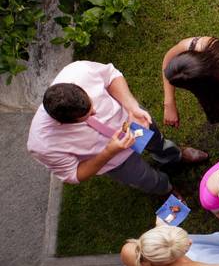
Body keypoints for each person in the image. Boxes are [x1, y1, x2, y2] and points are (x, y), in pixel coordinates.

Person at [27, 61, 208, 196]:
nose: (95, 112)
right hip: (114, 160)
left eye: (92, 105)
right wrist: (109, 152)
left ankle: (173, 156)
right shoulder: (42, 144)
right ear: (64, 123)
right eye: (88, 116)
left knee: (157, 142)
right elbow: (74, 174)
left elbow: (111, 75)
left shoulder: (77, 71)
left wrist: (131, 106)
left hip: (132, 121)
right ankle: (166, 189)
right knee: (145, 178)